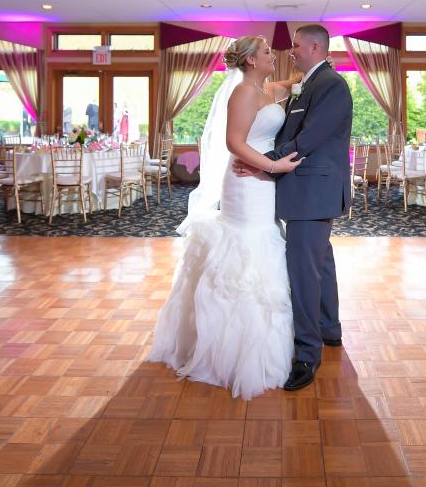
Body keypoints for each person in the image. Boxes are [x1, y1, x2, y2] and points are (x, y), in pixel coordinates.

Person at [147, 36, 303, 400]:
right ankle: (233, 351)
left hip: (261, 180)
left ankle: (260, 337)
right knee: (248, 248)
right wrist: (271, 166)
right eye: (266, 52)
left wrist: (304, 73)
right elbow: (234, 142)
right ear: (250, 60)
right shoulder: (243, 94)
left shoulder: (263, 89)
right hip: (248, 182)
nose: (272, 56)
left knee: (263, 243)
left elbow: (290, 84)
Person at [234, 24, 352, 391]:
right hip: (307, 190)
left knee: (303, 271)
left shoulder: (331, 85)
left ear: (315, 47)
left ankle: (306, 354)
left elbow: (309, 139)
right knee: (320, 263)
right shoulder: (310, 82)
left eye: (297, 46)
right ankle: (329, 328)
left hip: (312, 190)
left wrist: (263, 161)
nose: (291, 51)